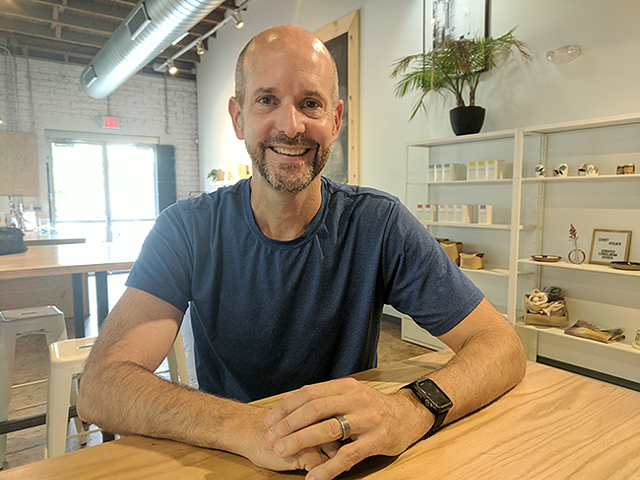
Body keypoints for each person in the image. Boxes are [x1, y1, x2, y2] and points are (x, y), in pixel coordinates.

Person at [77, 24, 526, 480]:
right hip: (227, 458)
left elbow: (501, 346)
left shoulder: (377, 224)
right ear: (238, 118)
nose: (291, 126)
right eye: (267, 100)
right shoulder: (187, 229)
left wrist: (410, 409)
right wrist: (245, 427)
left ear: (335, 119)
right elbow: (101, 386)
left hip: (347, 462)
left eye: (310, 103)